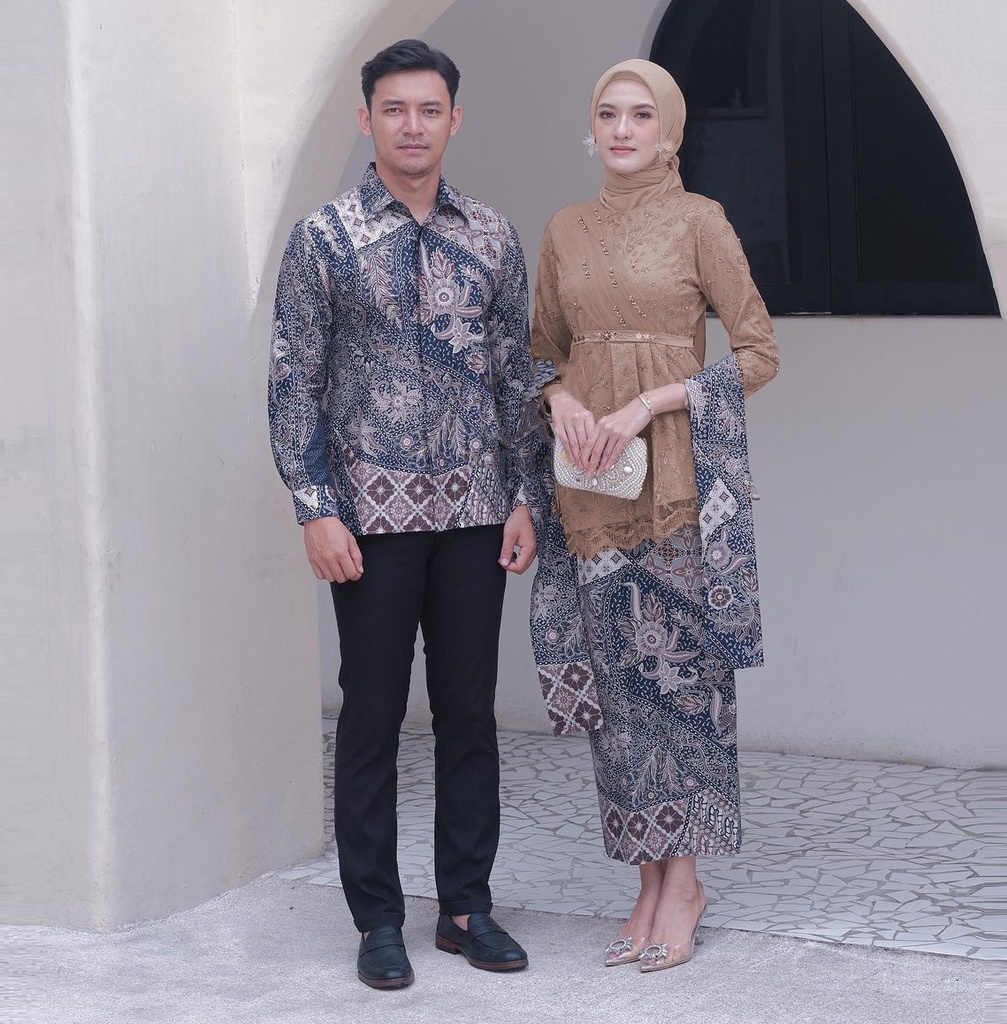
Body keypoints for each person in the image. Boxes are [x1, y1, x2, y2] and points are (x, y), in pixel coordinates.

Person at [268, 39, 539, 990]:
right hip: (369, 522)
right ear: (367, 119)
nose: (412, 126)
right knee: (373, 717)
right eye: (394, 109)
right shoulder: (324, 239)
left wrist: (527, 496)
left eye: (429, 109)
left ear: (454, 119)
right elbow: (293, 382)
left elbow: (518, 376)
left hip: (475, 512)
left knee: (469, 714)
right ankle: (377, 918)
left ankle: (465, 908)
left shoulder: (493, 236)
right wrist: (315, 509)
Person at [529, 59, 779, 973]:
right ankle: (646, 881)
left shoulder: (699, 221)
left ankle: (687, 884)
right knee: (622, 704)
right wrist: (561, 397)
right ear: (591, 128)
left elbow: (757, 353)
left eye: (642, 115)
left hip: (675, 486)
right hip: (591, 489)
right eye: (609, 113)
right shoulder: (564, 229)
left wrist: (650, 401)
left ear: (669, 131)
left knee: (682, 690)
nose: (624, 129)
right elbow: (540, 350)